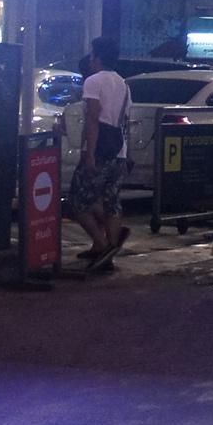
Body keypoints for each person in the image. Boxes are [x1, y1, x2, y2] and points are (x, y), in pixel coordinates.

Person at [73, 38, 132, 272]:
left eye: (92, 55)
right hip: (118, 150)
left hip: (100, 150)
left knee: (78, 202)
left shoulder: (94, 81)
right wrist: (127, 154)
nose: (90, 59)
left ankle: (103, 244)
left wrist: (90, 153)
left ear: (97, 57)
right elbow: (125, 121)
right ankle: (106, 252)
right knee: (111, 201)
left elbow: (93, 118)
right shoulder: (123, 84)